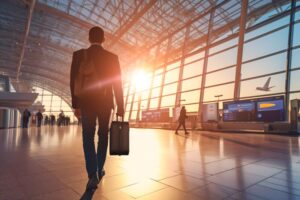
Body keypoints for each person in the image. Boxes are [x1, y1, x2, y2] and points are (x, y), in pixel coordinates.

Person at [70, 26, 124, 191]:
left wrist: (75, 104)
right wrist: (120, 106)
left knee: (87, 135)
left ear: (89, 38)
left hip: (86, 102)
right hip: (105, 103)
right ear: (103, 39)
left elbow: (73, 81)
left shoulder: (79, 55)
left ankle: (92, 173)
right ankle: (99, 169)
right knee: (103, 135)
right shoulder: (112, 57)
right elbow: (117, 83)